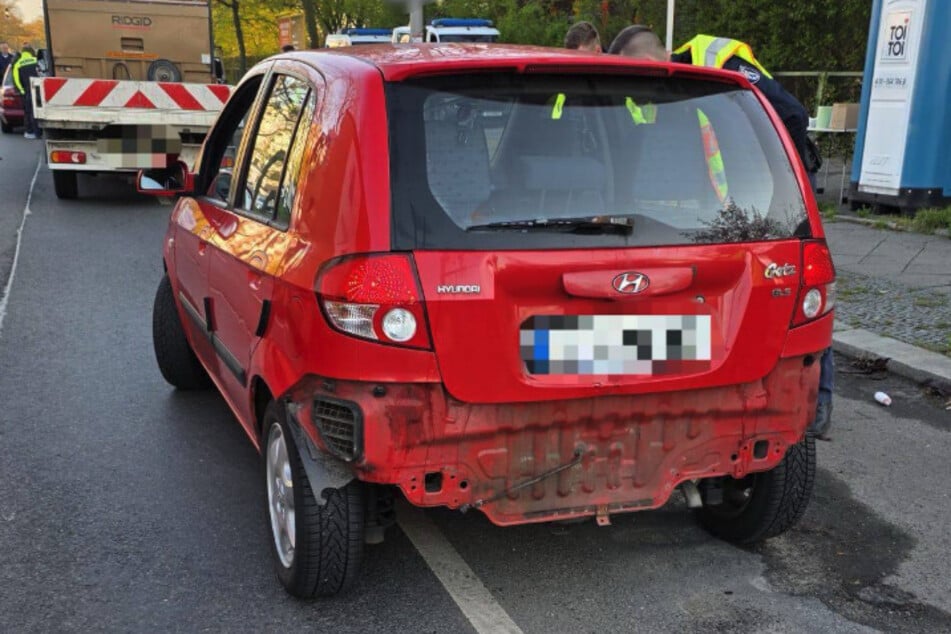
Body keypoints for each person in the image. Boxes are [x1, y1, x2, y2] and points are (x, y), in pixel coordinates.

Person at [610, 26, 835, 440]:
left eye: (635, 78)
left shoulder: (717, 59)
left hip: (768, 195)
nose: (637, 95)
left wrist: (762, 167)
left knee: (802, 297)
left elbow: (792, 115)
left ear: (648, 60)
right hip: (720, 209)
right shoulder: (662, 89)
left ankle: (817, 401)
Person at [12, 45, 41, 139]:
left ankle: (31, 132)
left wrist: (21, 90)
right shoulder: (36, 60)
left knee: (29, 112)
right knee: (39, 111)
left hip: (27, 91)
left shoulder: (18, 64)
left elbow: (16, 80)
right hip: (39, 90)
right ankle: (40, 132)